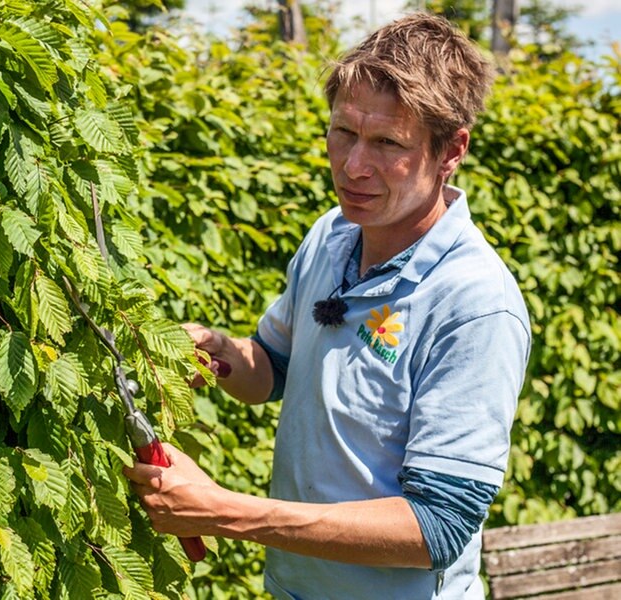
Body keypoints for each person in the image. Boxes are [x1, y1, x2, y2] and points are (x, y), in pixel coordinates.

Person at [124, 13, 531, 600]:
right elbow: (275, 367)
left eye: (388, 143)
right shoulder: (333, 236)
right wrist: (221, 353)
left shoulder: (474, 305)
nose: (352, 166)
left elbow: (437, 527)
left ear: (451, 151)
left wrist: (221, 510)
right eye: (344, 131)